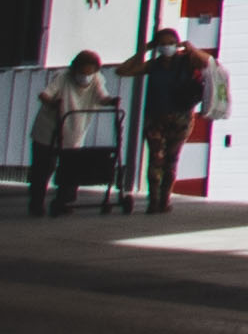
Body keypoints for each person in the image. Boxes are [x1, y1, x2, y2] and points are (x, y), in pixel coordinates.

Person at [133, 31, 218, 218]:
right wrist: (143, 51)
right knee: (156, 159)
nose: (167, 47)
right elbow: (124, 70)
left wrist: (193, 50)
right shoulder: (154, 65)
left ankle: (165, 199)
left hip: (181, 117)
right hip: (155, 117)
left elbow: (212, 64)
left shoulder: (187, 61)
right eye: (162, 44)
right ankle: (154, 201)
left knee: (171, 160)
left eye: (171, 43)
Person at [31, 51, 116, 218]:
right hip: (49, 129)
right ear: (74, 69)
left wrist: (112, 101)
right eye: (81, 72)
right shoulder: (63, 77)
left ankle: (64, 201)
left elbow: (102, 97)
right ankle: (36, 203)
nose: (85, 76)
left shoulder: (97, 79)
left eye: (89, 73)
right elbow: (44, 94)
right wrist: (53, 103)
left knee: (71, 168)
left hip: (74, 129)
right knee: (43, 168)